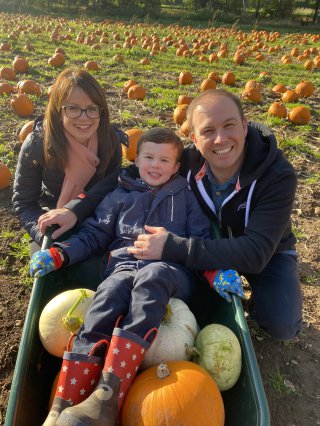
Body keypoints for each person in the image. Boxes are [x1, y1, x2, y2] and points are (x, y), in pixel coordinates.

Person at [39, 89, 302, 342]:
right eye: (208, 131)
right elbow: (127, 177)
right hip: (208, 243)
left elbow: (256, 253)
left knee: (281, 326)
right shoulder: (187, 161)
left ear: (245, 125)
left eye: (229, 125)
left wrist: (173, 246)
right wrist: (75, 210)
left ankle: (257, 304)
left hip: (266, 253)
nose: (220, 139)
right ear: (195, 140)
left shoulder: (277, 175)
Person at [30, 128, 243, 426]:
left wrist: (214, 272)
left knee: (153, 274)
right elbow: (94, 234)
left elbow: (200, 241)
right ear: (137, 158)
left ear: (176, 167)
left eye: (165, 160)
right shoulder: (120, 195)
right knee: (108, 293)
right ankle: (64, 402)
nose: (156, 165)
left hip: (171, 273)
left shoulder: (185, 197)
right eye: (149, 157)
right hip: (124, 268)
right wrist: (60, 253)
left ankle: (108, 396)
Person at [12, 66, 127, 253]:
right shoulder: (37, 145)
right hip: (50, 216)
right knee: (54, 273)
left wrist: (75, 211)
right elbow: (24, 201)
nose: (84, 118)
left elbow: (110, 189)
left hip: (96, 219)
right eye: (73, 109)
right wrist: (46, 234)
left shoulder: (110, 141)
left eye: (92, 109)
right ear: (58, 110)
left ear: (101, 111)